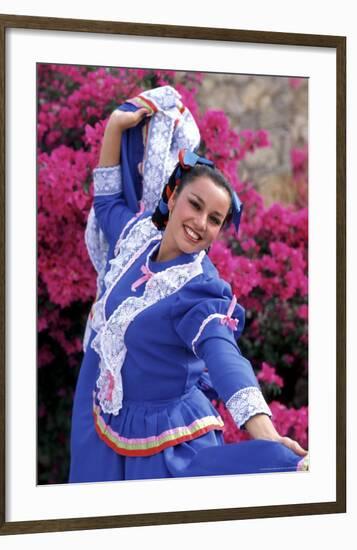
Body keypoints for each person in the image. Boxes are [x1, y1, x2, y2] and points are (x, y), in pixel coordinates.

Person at [68, 92, 309, 483]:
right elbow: (108, 202)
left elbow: (225, 357)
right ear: (173, 196)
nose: (200, 223)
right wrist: (115, 125)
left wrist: (264, 433)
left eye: (215, 219)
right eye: (195, 205)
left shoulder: (201, 289)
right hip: (98, 415)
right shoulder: (138, 239)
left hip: (162, 446)